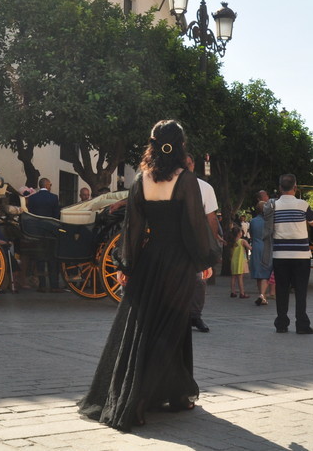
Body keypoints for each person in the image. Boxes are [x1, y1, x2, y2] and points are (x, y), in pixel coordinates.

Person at [79, 120, 212, 430]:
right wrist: (203, 260)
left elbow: (133, 229)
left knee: (146, 327)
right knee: (170, 329)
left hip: (149, 261)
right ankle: (138, 401)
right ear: (180, 146)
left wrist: (126, 265)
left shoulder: (142, 179)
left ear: (152, 145)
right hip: (177, 262)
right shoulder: (187, 180)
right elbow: (194, 226)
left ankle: (174, 395)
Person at [263, 173, 313, 334]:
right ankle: (302, 324)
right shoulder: (303, 204)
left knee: (281, 290)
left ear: (280, 188)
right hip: (301, 256)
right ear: (295, 187)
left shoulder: (273, 206)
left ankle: (281, 323)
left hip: (280, 255)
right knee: (301, 291)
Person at [185, 154, 220, 332]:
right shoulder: (166, 185)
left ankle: (195, 316)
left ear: (193, 165)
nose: (186, 167)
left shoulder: (205, 188)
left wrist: (209, 245)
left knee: (199, 281)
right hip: (173, 241)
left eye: (188, 164)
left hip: (196, 242)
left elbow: (211, 218)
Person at [26, 178, 63, 292]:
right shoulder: (53, 198)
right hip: (50, 232)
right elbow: (56, 215)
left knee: (40, 258)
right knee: (52, 259)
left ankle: (42, 285)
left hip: (36, 232)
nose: (51, 186)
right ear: (47, 185)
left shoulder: (32, 198)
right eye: (50, 184)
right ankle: (54, 285)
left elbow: (30, 214)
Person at [249, 194, 272, 305]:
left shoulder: (253, 221)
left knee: (258, 273)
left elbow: (252, 235)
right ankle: (262, 295)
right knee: (266, 273)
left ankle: (261, 295)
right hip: (267, 248)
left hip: (256, 247)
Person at [229, 226, 249, 298]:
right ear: (238, 233)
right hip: (240, 261)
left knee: (233, 277)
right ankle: (242, 293)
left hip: (233, 261)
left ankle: (233, 292)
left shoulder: (232, 241)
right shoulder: (242, 241)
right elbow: (249, 247)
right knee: (240, 277)